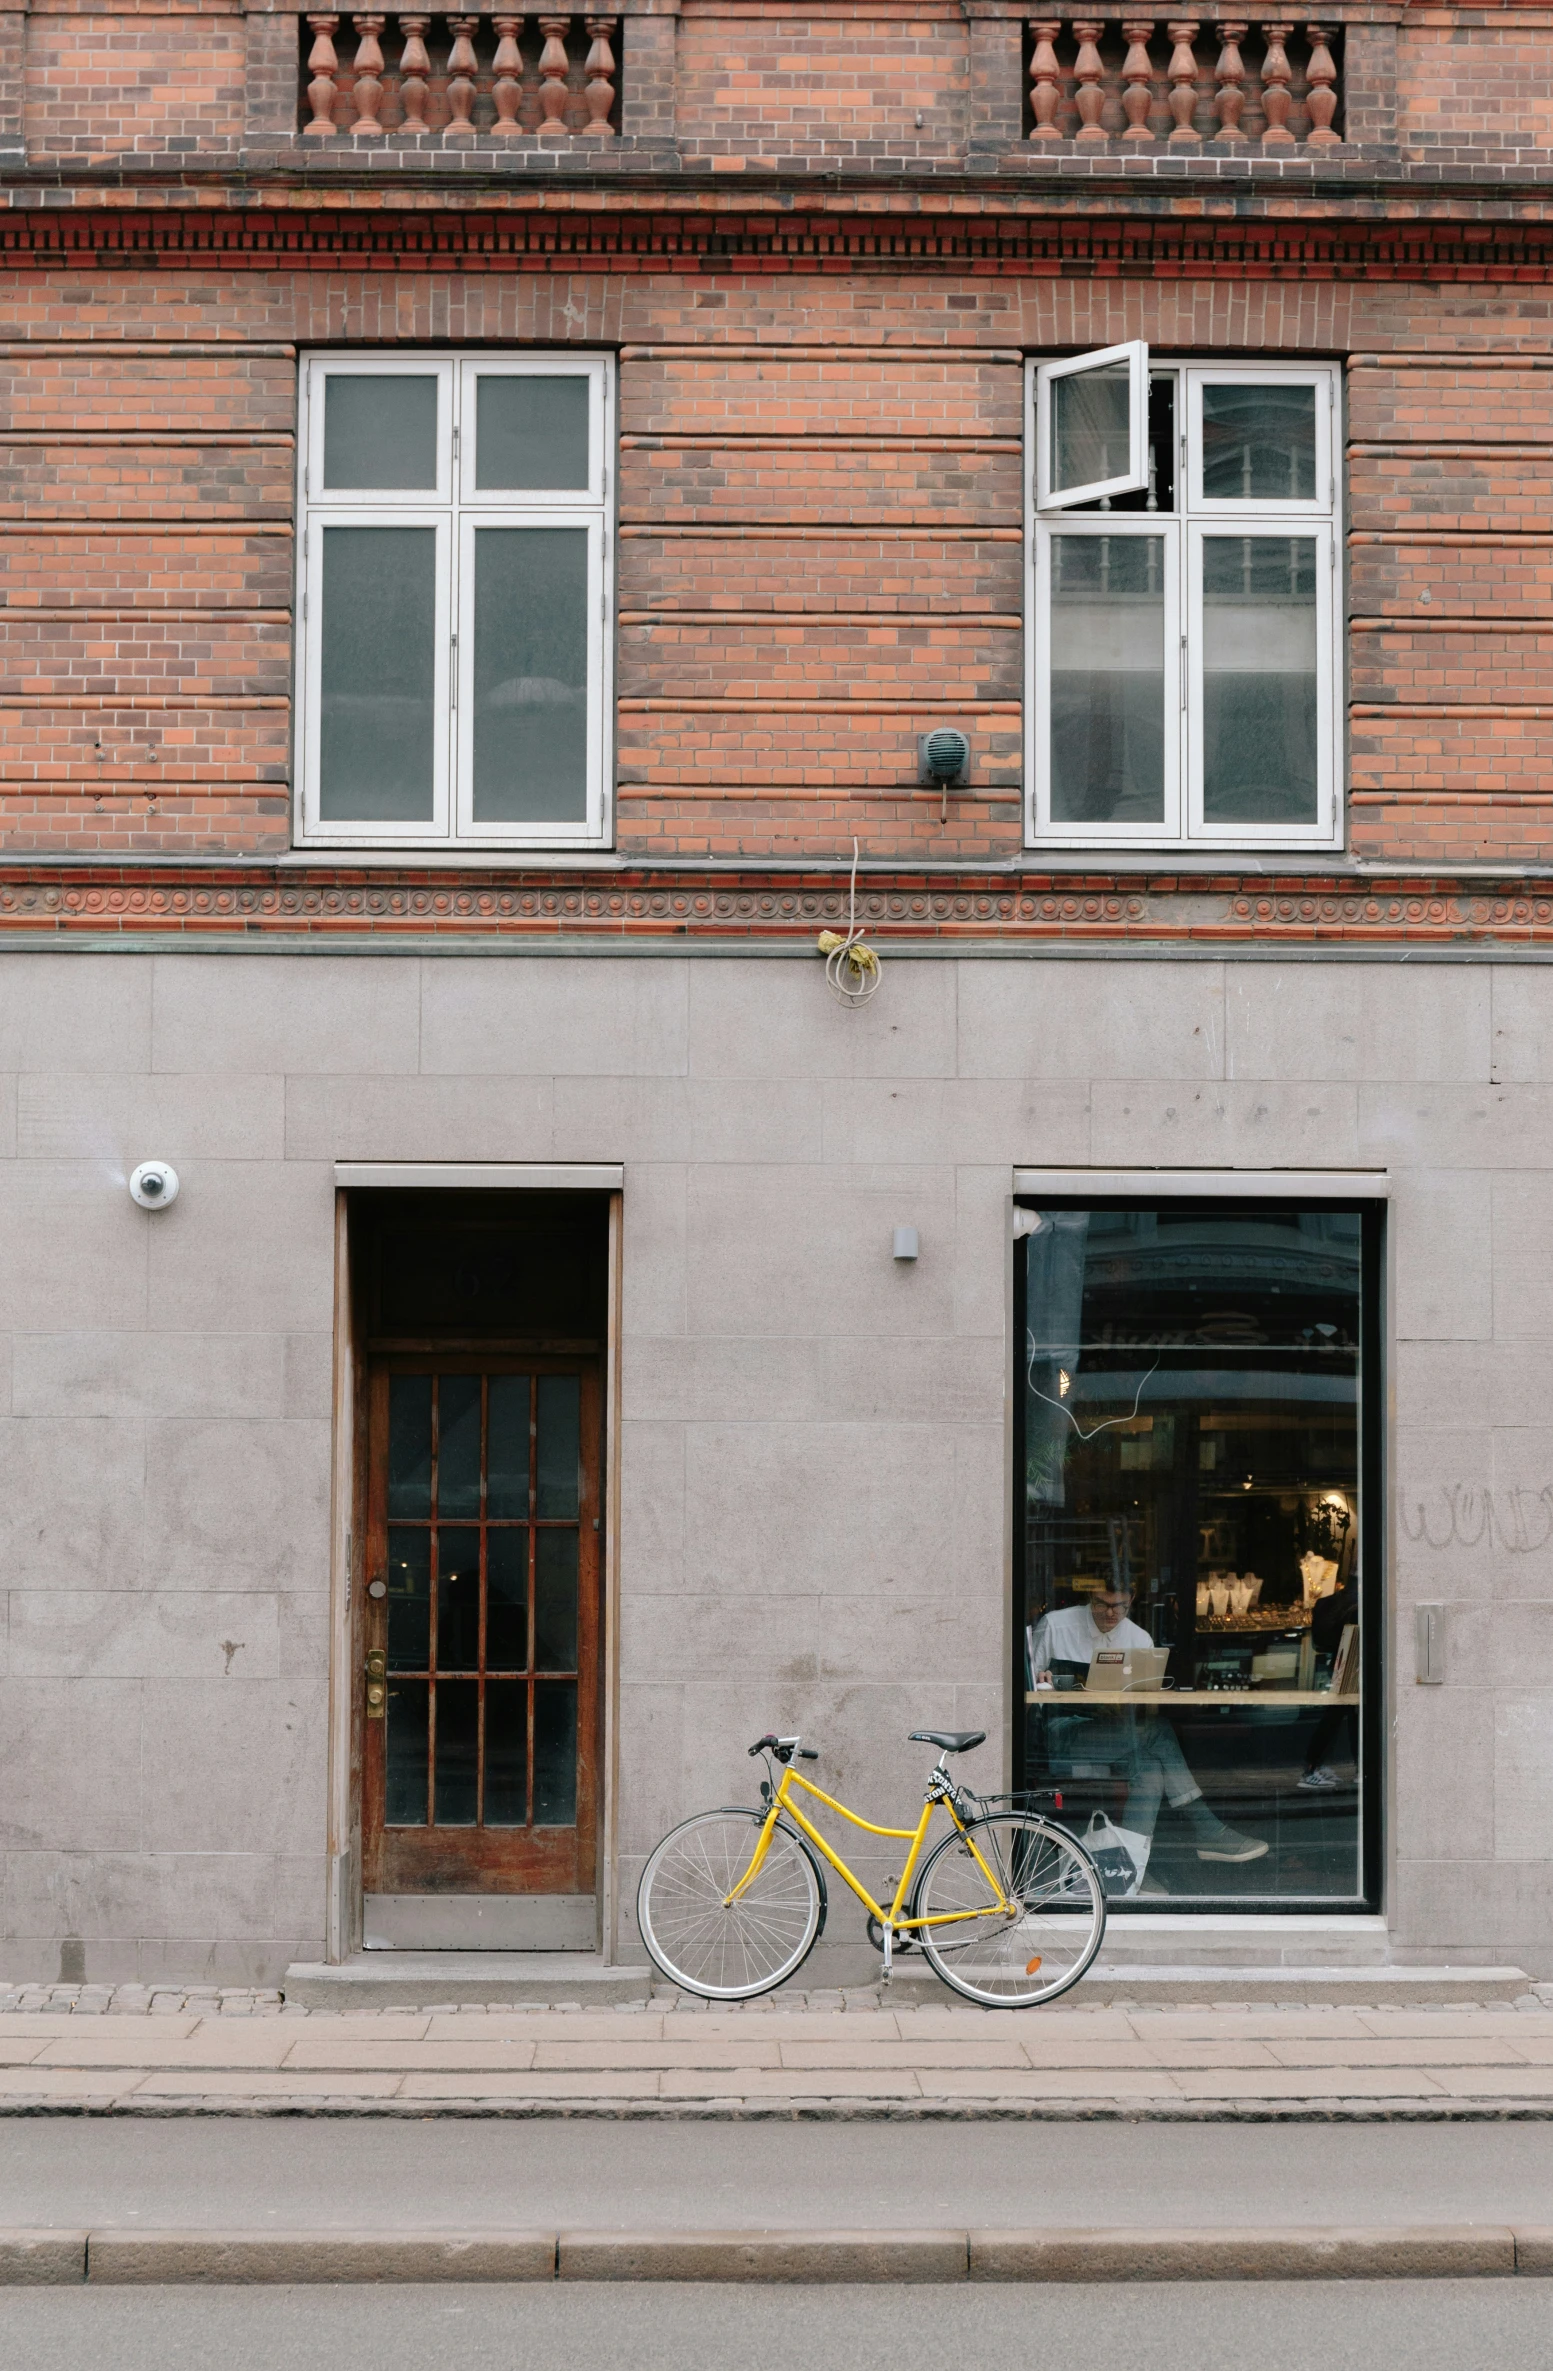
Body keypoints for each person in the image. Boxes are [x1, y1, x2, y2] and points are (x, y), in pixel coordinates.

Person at [1029, 1581, 1269, 1870]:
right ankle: (1207, 1829)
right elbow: (1027, 1690)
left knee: (1151, 1769)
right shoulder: (1055, 1625)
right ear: (1088, 1597)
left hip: (1117, 1737)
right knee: (1159, 1730)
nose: (1110, 1613)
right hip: (1063, 1735)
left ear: (1132, 1598)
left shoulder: (1139, 1639)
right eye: (1101, 1604)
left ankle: (1132, 1871)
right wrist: (1045, 1687)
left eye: (1119, 1606)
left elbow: (1146, 1705)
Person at [1298, 1574, 1358, 1791]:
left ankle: (1314, 1765)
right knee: (1343, 1714)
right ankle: (1313, 1767)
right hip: (1354, 1661)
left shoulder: (1337, 1600)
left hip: (1341, 1661)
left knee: (1342, 1714)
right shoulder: (1358, 1600)